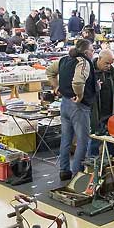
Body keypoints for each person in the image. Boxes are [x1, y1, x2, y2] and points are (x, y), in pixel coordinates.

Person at [46, 39, 97, 181]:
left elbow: (50, 71)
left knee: (66, 139)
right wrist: (80, 95)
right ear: (86, 52)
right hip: (78, 106)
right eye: (92, 50)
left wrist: (56, 87)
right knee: (83, 140)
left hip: (65, 104)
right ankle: (77, 174)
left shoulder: (64, 60)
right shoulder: (83, 62)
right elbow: (78, 81)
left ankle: (64, 170)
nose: (93, 53)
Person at [88, 49, 114, 159]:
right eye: (106, 63)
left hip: (111, 112)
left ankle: (110, 163)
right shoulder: (90, 70)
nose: (108, 66)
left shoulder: (113, 71)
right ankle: (92, 167)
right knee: (94, 141)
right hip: (96, 113)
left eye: (110, 63)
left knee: (111, 140)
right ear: (99, 59)